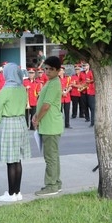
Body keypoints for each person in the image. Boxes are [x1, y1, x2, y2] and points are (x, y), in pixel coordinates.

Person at [0, 63, 32, 202]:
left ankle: (10, 194)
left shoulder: (6, 90)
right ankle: (17, 192)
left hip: (8, 122)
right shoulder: (22, 88)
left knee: (10, 161)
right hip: (21, 122)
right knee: (18, 159)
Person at [32, 56, 64, 196]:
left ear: (58, 70)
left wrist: (37, 119)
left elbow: (46, 106)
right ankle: (56, 182)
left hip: (50, 125)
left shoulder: (54, 83)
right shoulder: (50, 82)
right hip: (49, 124)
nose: (48, 71)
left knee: (50, 157)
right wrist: (36, 115)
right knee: (53, 156)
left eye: (51, 69)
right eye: (46, 68)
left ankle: (51, 185)